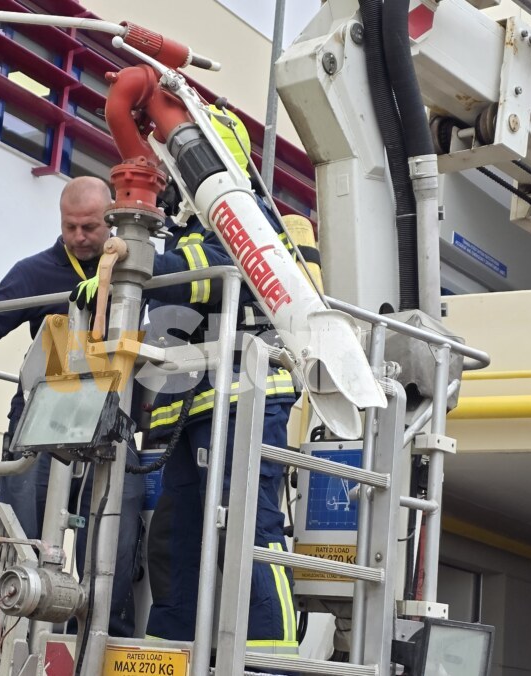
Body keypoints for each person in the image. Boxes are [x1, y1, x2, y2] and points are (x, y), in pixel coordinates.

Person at [0, 176, 145, 638]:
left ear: (111, 220)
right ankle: (17, 636)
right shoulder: (37, 272)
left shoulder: (138, 272)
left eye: (90, 227)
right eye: (70, 227)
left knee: (117, 529)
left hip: (112, 424)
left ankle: (100, 637)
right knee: (23, 530)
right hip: (44, 423)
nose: (79, 236)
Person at [141, 108, 300, 657]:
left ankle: (267, 657)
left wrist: (136, 265)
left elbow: (207, 273)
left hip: (246, 398)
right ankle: (167, 653)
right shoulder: (188, 228)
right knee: (175, 537)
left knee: (248, 529)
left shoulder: (245, 215)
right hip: (192, 410)